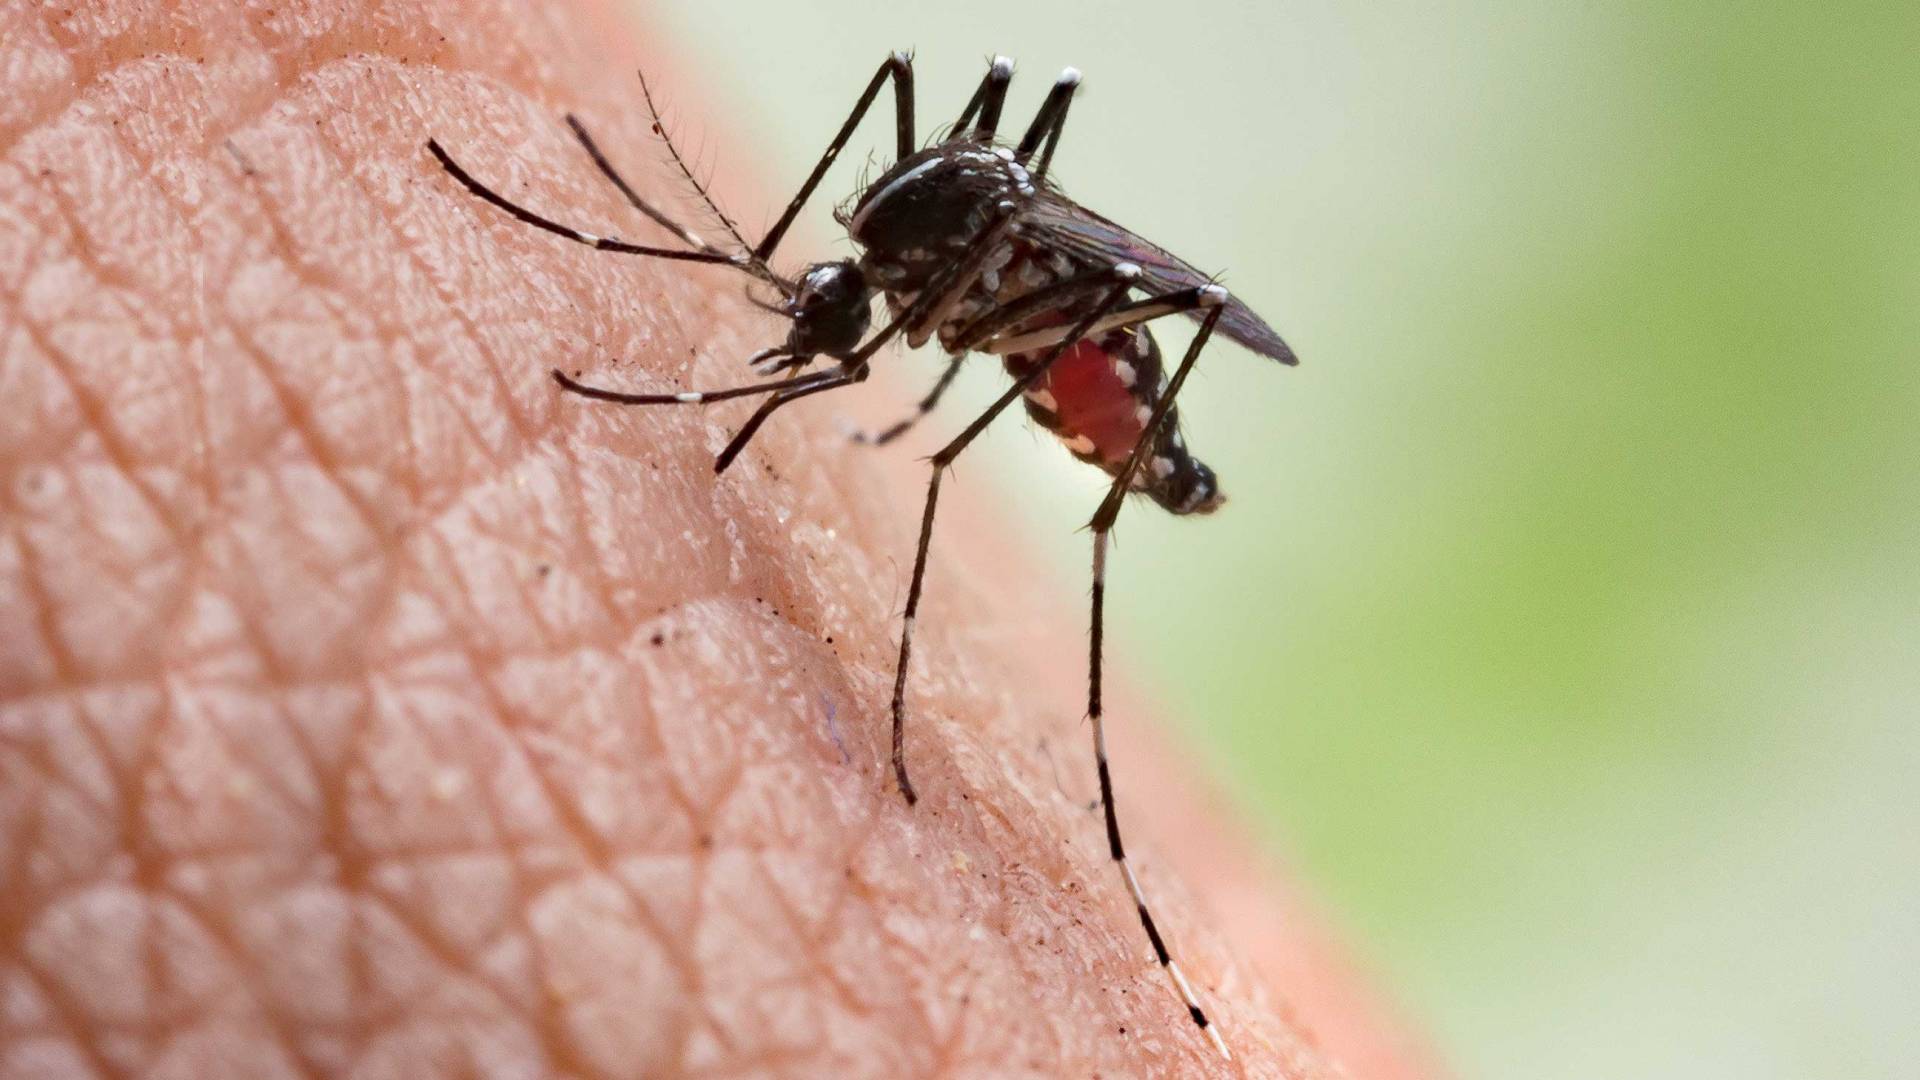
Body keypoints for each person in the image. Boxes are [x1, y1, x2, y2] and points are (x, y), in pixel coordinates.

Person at [0, 1, 1430, 1075]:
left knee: (961, 423)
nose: (817, 340)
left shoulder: (919, 253)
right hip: (987, 267)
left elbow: (1061, 266)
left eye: (827, 321)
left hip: (1089, 334)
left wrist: (946, 419)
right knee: (980, 167)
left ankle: (1105, 600)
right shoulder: (884, 240)